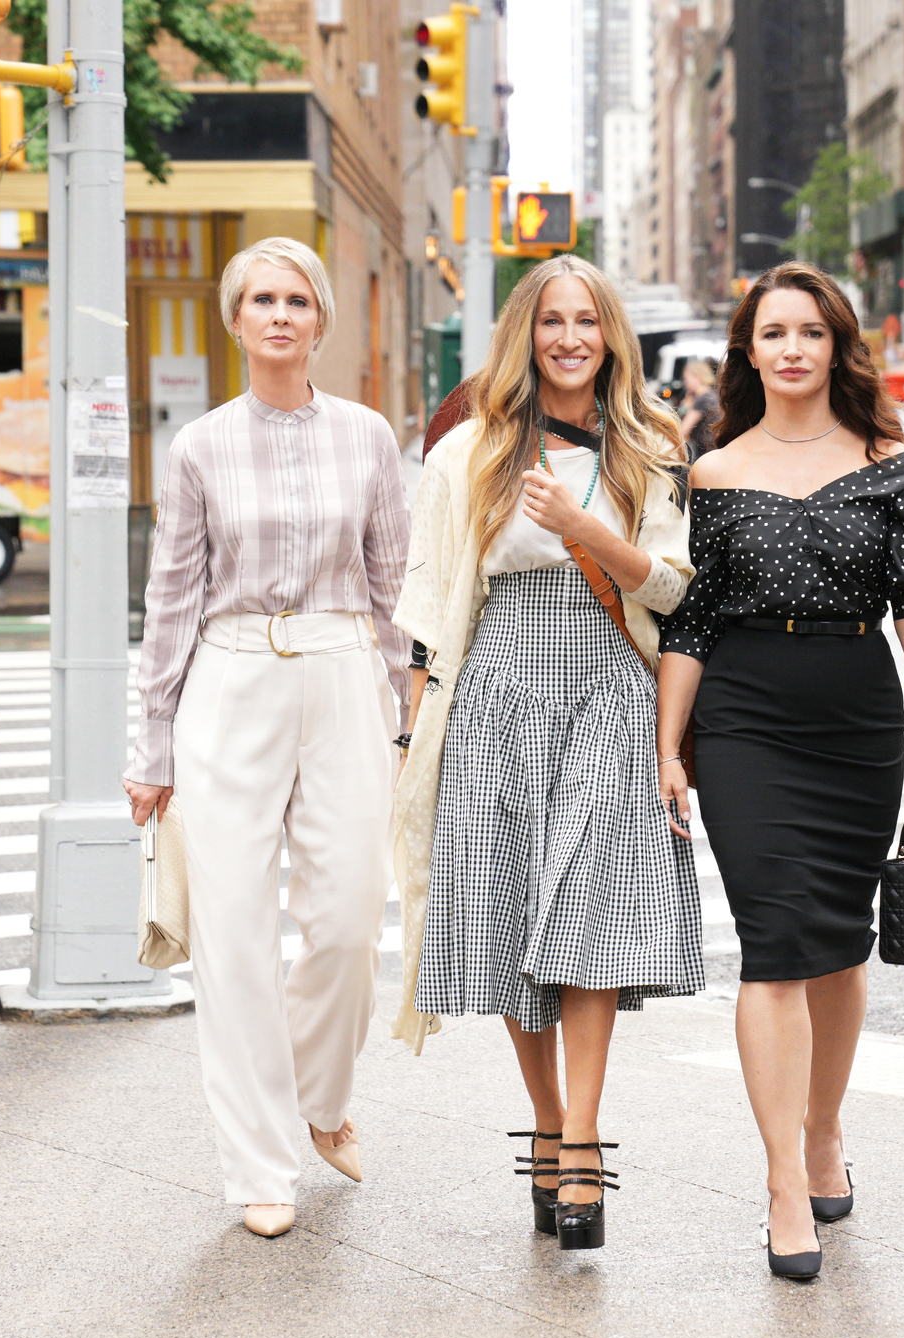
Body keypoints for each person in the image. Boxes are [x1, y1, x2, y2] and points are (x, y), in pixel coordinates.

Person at [655, 262, 904, 1279]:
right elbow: (690, 623)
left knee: (840, 947)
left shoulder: (892, 464)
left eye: (811, 331)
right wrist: (668, 746)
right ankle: (781, 1183)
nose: (792, 347)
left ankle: (824, 1128)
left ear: (838, 347)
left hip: (853, 709)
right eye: (773, 332)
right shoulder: (705, 473)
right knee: (775, 939)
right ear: (746, 352)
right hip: (745, 713)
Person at [392, 253, 702, 1251]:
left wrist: (581, 527)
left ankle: (582, 1140)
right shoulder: (467, 452)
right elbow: (431, 613)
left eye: (589, 320)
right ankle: (546, 1120)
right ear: (525, 334)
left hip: (609, 687)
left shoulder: (650, 443)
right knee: (513, 914)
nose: (571, 338)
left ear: (612, 335)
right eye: (552, 321)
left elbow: (672, 590)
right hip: (496, 691)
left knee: (587, 916)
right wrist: (413, 737)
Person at [122, 236, 410, 1241]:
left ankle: (322, 1097)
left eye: (297, 299)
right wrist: (148, 746)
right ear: (235, 319)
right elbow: (170, 601)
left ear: (320, 320)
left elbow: (392, 585)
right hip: (228, 678)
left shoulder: (370, 437)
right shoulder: (200, 446)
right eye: (261, 299)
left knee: (343, 920)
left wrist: (408, 716)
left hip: (342, 673)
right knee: (233, 933)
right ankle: (259, 1163)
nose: (280, 313)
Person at [677, 357, 721, 463]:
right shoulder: (711, 394)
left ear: (698, 378)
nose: (685, 383)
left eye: (687, 379)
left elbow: (684, 429)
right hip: (714, 448)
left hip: (706, 450)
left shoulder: (702, 398)